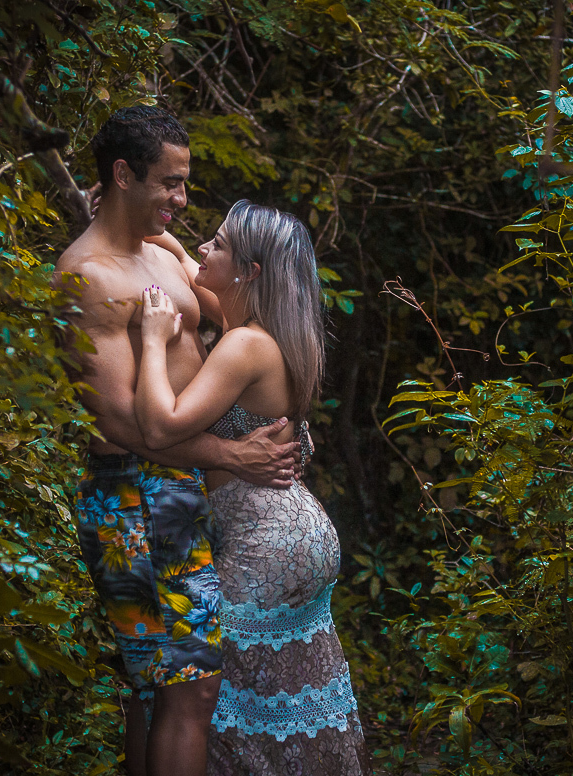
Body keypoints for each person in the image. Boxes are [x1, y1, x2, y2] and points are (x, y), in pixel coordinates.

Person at [55, 106, 301, 776]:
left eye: (185, 182)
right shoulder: (89, 277)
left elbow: (232, 302)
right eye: (170, 182)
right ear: (123, 175)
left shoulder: (159, 252)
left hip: (176, 489)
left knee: (158, 692)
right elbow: (122, 424)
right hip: (133, 495)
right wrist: (231, 454)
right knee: (188, 690)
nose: (183, 198)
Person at [136, 200, 369, 774]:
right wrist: (160, 236)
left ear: (250, 271)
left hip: (263, 546)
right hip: (295, 531)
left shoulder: (243, 345)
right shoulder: (275, 332)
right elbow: (195, 271)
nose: (204, 249)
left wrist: (153, 338)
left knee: (206, 702)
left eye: (218, 244)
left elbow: (161, 426)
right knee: (283, 704)